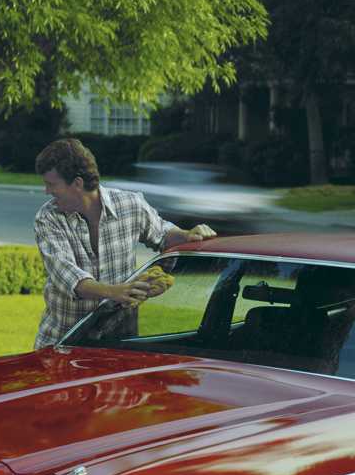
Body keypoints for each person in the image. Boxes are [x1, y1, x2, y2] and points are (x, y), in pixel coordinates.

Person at [32, 137, 217, 347]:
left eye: (51, 184)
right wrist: (116, 292)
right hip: (63, 343)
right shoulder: (48, 218)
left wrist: (186, 235)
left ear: (77, 183)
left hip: (120, 343)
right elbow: (66, 276)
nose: (47, 191)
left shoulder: (130, 205)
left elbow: (163, 233)